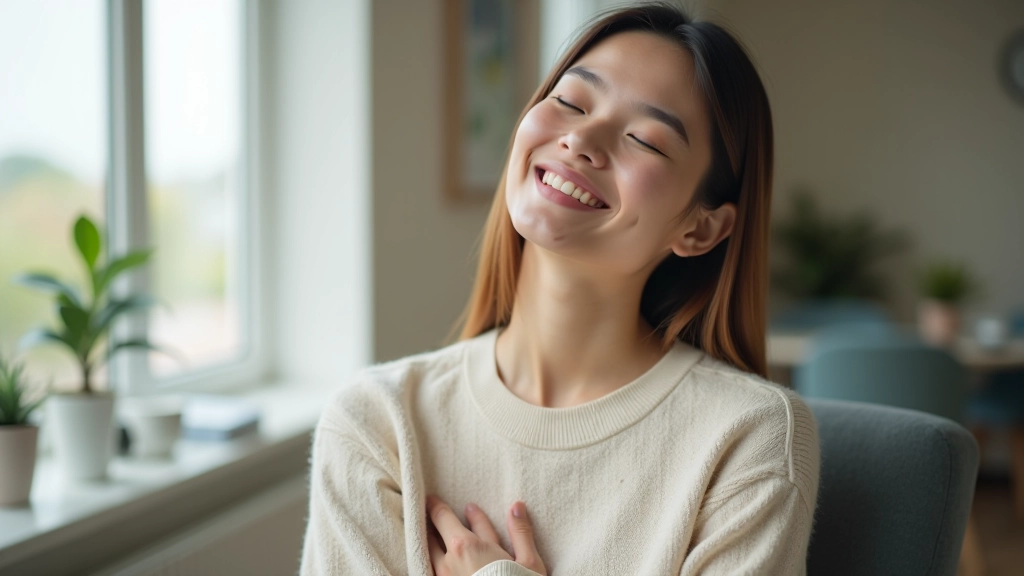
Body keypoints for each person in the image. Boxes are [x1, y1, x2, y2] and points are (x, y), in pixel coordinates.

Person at [300, 3, 819, 575]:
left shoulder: (750, 438)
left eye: (645, 140)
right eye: (570, 102)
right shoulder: (378, 423)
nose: (582, 139)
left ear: (700, 228)